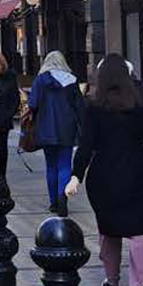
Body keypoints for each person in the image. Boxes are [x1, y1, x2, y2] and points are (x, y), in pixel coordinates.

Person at [67, 55, 143, 286]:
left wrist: (75, 176)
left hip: (104, 177)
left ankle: (112, 282)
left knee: (109, 230)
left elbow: (86, 146)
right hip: (137, 174)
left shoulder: (94, 106)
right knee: (141, 230)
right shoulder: (141, 104)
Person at [27, 50, 82, 217]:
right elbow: (79, 106)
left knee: (51, 166)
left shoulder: (40, 80)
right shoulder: (72, 81)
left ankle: (53, 203)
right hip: (67, 127)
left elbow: (33, 104)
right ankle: (62, 200)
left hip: (45, 127)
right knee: (65, 165)